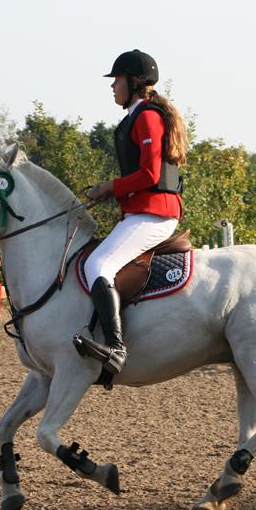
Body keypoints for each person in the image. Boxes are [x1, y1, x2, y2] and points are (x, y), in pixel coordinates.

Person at [74, 49, 188, 375]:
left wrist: (111, 187)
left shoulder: (148, 117)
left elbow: (151, 175)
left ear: (134, 82)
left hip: (155, 213)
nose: (112, 87)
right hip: (141, 212)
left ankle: (115, 348)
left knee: (98, 263)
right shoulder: (137, 116)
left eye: (117, 81)